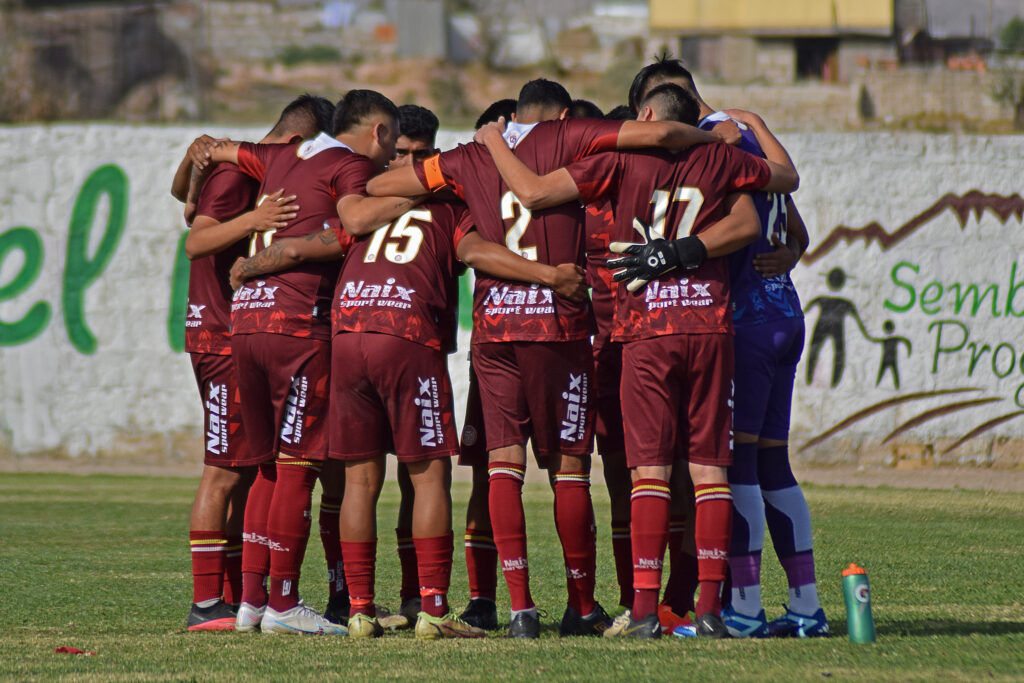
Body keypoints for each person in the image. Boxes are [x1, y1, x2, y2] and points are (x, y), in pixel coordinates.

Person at [366, 78, 731, 638]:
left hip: (494, 330)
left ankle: (520, 610)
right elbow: (657, 131)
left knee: (503, 467)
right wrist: (716, 136)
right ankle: (583, 605)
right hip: (559, 327)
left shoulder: (466, 157)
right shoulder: (576, 136)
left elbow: (382, 184)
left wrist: (442, 186)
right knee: (570, 473)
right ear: (561, 114)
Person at [227, 102, 589, 638]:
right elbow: (479, 251)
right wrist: (548, 274)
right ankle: (434, 611)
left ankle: (358, 610)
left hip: (347, 335)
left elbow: (316, 243)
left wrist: (250, 265)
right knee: (429, 477)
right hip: (407, 334)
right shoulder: (447, 203)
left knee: (358, 481)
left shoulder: (367, 203)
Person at [474, 82, 799, 638]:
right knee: (709, 472)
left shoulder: (616, 163)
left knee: (644, 473)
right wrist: (750, 122)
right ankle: (710, 609)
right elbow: (782, 182)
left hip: (641, 332)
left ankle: (644, 607)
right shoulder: (717, 156)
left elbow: (529, 192)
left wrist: (492, 142)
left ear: (644, 116)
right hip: (709, 327)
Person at [196, 89, 416, 636]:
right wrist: (418, 193)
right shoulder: (349, 165)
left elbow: (223, 149)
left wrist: (205, 153)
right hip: (297, 325)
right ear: (380, 133)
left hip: (245, 323)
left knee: (267, 466)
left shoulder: (280, 156)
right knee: (298, 467)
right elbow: (351, 224)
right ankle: (285, 603)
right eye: (389, 146)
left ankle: (249, 601)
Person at [170, 94, 332, 631]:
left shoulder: (243, 164)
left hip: (236, 332)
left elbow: (185, 197)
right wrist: (255, 219)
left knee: (248, 468)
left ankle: (242, 595)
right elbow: (196, 239)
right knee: (222, 469)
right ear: (297, 141)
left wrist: (196, 164)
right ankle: (203, 604)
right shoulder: (248, 177)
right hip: (217, 335)